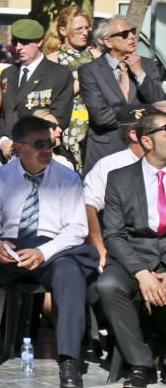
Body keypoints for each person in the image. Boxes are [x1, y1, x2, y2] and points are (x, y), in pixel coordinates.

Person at [0, 116, 95, 387]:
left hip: (52, 249)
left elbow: (76, 229)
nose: (47, 149)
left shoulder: (67, 177)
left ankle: (70, 359)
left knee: (70, 272)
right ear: (18, 147)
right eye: (39, 144)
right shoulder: (0, 178)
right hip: (10, 247)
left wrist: (43, 252)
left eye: (49, 143)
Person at [96, 110, 166, 388]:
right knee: (108, 285)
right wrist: (141, 271)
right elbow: (113, 234)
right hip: (134, 255)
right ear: (147, 141)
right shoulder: (120, 178)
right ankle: (141, 362)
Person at [79, 15, 165, 172]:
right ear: (107, 41)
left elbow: (159, 103)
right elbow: (101, 116)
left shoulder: (146, 65)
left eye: (132, 31)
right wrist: (142, 118)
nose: (132, 36)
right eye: (124, 34)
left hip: (143, 148)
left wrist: (140, 74)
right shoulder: (90, 70)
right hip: (105, 148)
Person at [84, 105, 154, 272]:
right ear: (134, 135)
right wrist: (99, 247)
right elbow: (88, 204)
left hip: (161, 247)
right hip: (122, 246)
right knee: (105, 287)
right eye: (154, 129)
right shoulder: (108, 165)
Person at [0, 19, 74, 161]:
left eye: (24, 43)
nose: (18, 47)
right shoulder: (8, 74)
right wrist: (3, 140)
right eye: (16, 42)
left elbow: (60, 117)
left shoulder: (58, 74)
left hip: (40, 154)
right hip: (9, 154)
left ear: (39, 42)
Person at [44, 5, 101, 168]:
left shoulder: (96, 56)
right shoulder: (53, 59)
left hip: (94, 124)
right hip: (66, 126)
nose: (85, 33)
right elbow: (51, 97)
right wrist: (82, 83)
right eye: (79, 29)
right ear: (63, 31)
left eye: (86, 28)